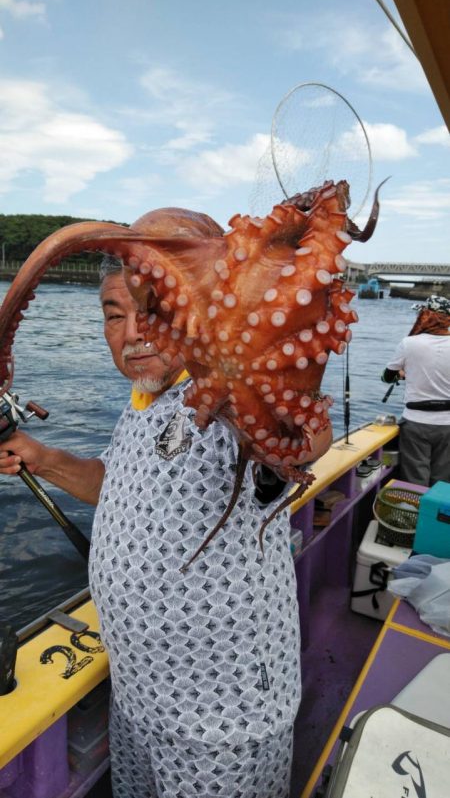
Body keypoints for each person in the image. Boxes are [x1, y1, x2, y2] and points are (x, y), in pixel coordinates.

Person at [0, 210, 301, 798]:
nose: (133, 333)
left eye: (155, 310)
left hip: (225, 717)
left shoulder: (229, 395)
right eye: (115, 315)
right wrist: (43, 457)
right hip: (141, 697)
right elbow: (120, 486)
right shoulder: (142, 401)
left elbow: (295, 437)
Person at [382, 295, 450, 487]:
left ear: (425, 316)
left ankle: (413, 514)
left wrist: (403, 374)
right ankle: (435, 516)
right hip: (448, 424)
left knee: (415, 481)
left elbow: (387, 377)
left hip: (416, 422)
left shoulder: (409, 343)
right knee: (443, 482)